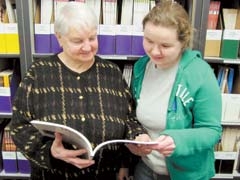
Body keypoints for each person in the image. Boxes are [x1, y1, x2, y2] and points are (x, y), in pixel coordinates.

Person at [9, 2, 146, 180]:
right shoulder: (39, 73)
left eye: (92, 38)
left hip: (105, 175)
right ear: (59, 38)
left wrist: (138, 137)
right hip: (53, 175)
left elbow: (129, 119)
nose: (88, 47)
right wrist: (50, 151)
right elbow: (19, 127)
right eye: (77, 41)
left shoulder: (111, 72)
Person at [126, 1, 222, 180]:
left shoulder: (200, 73)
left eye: (165, 46)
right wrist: (137, 136)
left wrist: (178, 141)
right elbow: (133, 115)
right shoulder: (141, 67)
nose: (154, 51)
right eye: (149, 41)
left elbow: (212, 131)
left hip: (186, 174)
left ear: (182, 43)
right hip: (146, 168)